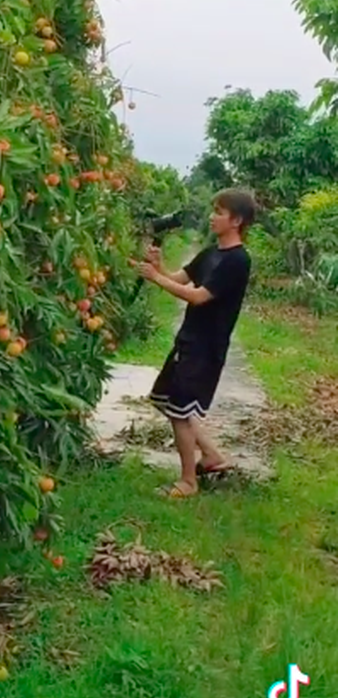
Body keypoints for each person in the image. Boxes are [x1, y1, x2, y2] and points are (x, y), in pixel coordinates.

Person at [129, 188, 256, 499]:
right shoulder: (211, 253)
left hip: (206, 345)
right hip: (189, 339)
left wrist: (157, 279)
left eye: (219, 211)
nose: (212, 216)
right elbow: (181, 278)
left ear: (236, 220)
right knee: (169, 401)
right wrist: (158, 268)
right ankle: (212, 456)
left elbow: (199, 296)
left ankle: (188, 481)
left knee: (180, 410)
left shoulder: (237, 261)